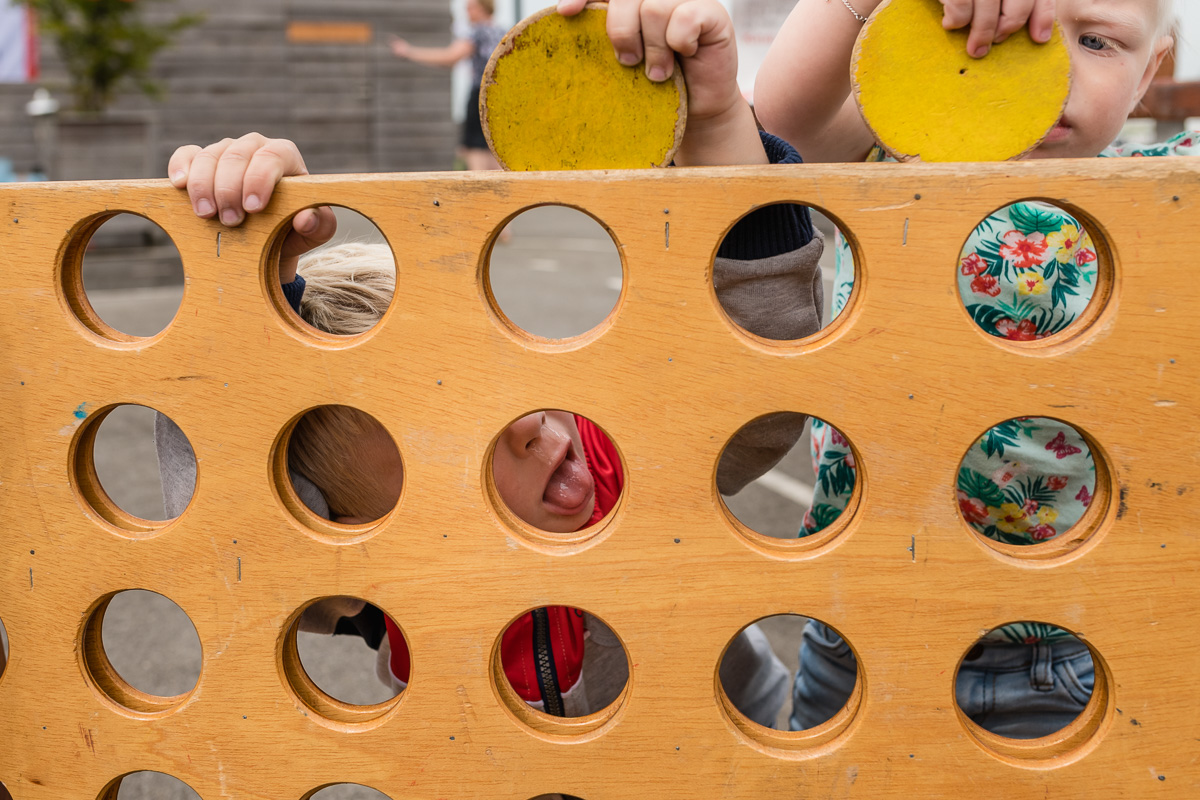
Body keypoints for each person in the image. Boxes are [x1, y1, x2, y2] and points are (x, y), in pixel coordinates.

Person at [162, 0, 831, 722]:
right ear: (345, 530)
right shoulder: (387, 588)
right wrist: (241, 293)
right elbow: (233, 544)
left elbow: (758, 366)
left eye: (507, 384)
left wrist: (714, 121)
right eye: (450, 436)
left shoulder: (619, 470)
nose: (534, 427)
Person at [753, 0, 1193, 737]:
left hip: (1071, 647)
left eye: (1094, 41)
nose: (1047, 67)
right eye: (1007, 32)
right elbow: (782, 125)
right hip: (865, 624)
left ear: (1151, 69)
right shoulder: (895, 159)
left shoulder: (1162, 192)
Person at [390, 0, 506, 172]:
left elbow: (450, 57)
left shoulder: (478, 32)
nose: (466, 13)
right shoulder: (503, 32)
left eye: (469, 8)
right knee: (497, 152)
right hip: (503, 99)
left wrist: (409, 52)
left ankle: (483, 198)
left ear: (482, 8)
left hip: (481, 99)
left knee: (476, 153)